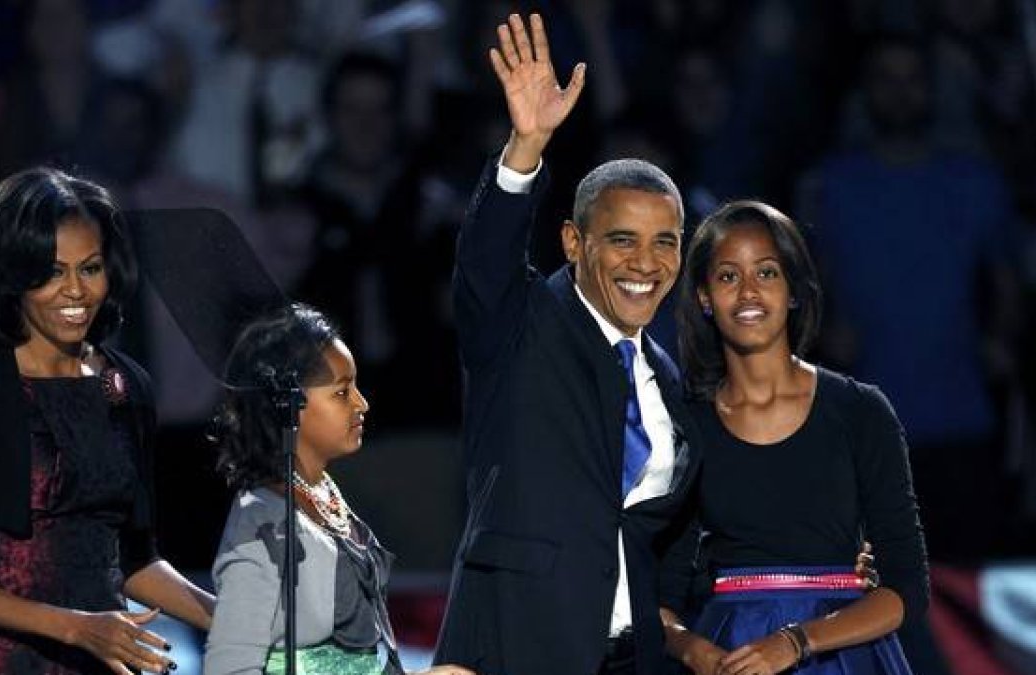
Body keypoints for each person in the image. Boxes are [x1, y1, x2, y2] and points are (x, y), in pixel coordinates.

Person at [434, 13, 704, 674]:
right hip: (515, 649)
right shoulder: (524, 325)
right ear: (573, 243)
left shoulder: (668, 381)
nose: (645, 262)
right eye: (621, 239)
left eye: (664, 241)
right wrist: (526, 147)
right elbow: (486, 265)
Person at [0, 167, 214, 674]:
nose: (76, 291)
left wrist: (223, 616)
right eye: (51, 272)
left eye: (90, 268)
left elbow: (136, 559)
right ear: (13, 277)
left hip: (99, 655)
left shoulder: (127, 387)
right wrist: (78, 626)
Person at [658, 201, 928, 675]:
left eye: (766, 273)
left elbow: (906, 590)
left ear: (793, 291)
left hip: (844, 651)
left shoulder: (860, 411)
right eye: (727, 277)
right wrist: (690, 649)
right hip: (731, 655)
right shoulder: (685, 424)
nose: (748, 292)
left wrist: (796, 641)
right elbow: (659, 594)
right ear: (703, 296)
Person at [203, 303, 473, 675]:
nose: (362, 403)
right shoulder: (262, 523)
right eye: (342, 392)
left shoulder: (322, 493)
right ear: (289, 407)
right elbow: (229, 669)